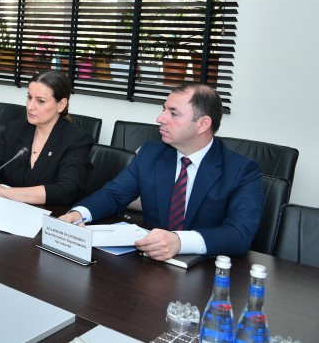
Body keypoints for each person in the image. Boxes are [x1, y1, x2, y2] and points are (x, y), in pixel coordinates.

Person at [59, 83, 264, 260]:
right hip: (150, 263)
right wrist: (78, 214)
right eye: (164, 109)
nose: (160, 118)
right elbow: (113, 195)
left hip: (208, 272)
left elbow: (239, 234)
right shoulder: (151, 153)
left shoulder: (242, 171)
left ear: (203, 124)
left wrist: (179, 241)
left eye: (173, 113)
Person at [0, 70, 93, 205]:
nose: (30, 107)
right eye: (29, 97)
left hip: (49, 213)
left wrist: (4, 192)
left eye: (40, 101)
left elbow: (66, 190)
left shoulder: (77, 139)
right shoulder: (15, 129)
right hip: (7, 210)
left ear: (61, 105)